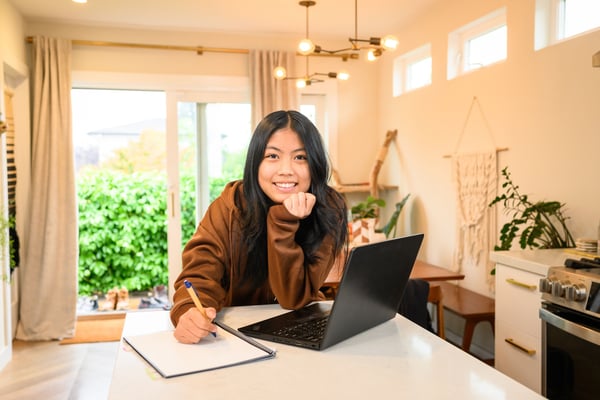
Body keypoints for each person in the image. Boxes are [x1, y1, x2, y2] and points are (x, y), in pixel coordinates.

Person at [170, 110, 348, 344]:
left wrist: (284, 220)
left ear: (315, 164)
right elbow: (200, 274)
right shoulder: (230, 205)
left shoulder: (328, 209)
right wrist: (189, 311)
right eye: (272, 156)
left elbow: (292, 298)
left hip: (300, 330)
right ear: (255, 162)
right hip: (237, 337)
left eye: (300, 157)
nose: (286, 170)